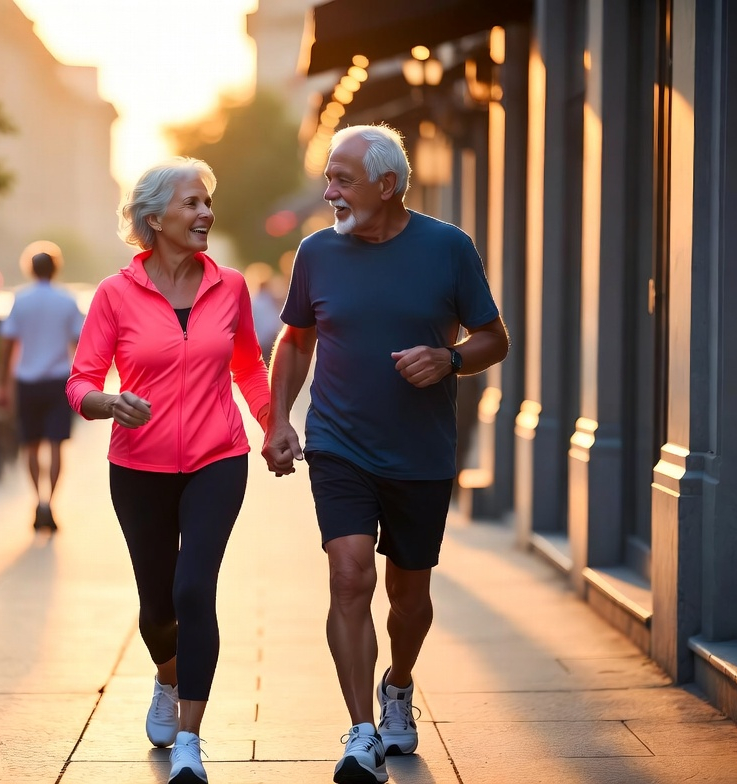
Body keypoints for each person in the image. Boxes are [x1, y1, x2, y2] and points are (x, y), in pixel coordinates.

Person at [261, 124, 509, 784]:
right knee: (348, 574)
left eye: (342, 179)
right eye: (328, 178)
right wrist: (279, 419)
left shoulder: (448, 249)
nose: (329, 190)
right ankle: (361, 730)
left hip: (420, 452)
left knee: (409, 594)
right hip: (338, 443)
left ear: (388, 186)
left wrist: (449, 359)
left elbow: (495, 339)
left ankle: (397, 686)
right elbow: (295, 341)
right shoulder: (315, 253)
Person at [66, 157, 270, 784]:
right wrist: (107, 403)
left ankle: (190, 737)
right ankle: (166, 675)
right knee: (155, 606)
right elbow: (81, 381)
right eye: (192, 203)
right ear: (155, 219)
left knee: (192, 588)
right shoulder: (114, 294)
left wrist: (273, 426)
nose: (206, 213)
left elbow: (247, 367)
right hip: (139, 467)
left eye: (207, 202)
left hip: (218, 457)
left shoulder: (229, 286)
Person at [0, 246, 85, 531]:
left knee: (31, 445)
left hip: (28, 382)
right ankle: (51, 503)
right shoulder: (67, 300)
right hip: (59, 381)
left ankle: (38, 500)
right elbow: (81, 343)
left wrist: (2, 384)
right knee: (57, 445)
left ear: (31, 269)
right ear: (55, 268)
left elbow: (7, 344)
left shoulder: (20, 301)